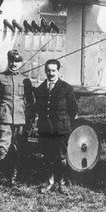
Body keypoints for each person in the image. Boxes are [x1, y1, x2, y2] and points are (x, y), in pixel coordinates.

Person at [0, 49, 33, 186]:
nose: (14, 64)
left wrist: (30, 120)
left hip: (20, 121)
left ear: (20, 63)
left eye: (17, 61)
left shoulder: (25, 80)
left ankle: (13, 178)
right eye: (12, 61)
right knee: (2, 151)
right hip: (4, 120)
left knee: (18, 150)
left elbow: (30, 103)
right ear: (8, 61)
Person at [29, 58, 78, 194]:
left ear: (58, 71)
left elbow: (73, 109)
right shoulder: (40, 89)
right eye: (48, 70)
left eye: (53, 70)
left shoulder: (66, 88)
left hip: (61, 129)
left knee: (61, 157)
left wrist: (65, 123)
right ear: (45, 71)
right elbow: (37, 108)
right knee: (47, 156)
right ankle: (49, 182)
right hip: (45, 128)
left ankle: (62, 183)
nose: (50, 73)